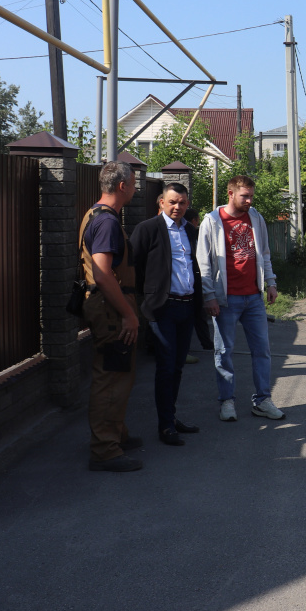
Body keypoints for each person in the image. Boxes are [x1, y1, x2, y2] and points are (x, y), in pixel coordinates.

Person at [197, 175, 285, 422]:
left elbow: (264, 253)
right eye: (244, 195)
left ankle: (262, 400)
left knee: (262, 351)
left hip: (253, 298)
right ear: (230, 193)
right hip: (225, 299)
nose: (248, 200)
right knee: (224, 351)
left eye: (251, 196)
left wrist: (271, 282)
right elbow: (203, 263)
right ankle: (227, 402)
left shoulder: (255, 218)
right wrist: (209, 296)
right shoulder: (212, 221)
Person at [79, 161, 143, 472]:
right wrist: (129, 314)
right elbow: (104, 275)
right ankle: (105, 450)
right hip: (110, 310)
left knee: (121, 373)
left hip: (108, 307)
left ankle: (116, 435)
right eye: (133, 183)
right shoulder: (106, 222)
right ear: (122, 186)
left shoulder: (95, 214)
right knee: (111, 377)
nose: (136, 188)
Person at [130, 183, 203, 447]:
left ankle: (171, 417)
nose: (178, 207)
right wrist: (148, 298)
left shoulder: (191, 231)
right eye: (172, 202)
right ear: (160, 202)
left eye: (182, 203)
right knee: (165, 367)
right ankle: (165, 426)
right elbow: (134, 267)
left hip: (187, 307)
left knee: (178, 366)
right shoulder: (147, 229)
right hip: (163, 310)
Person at [182, 207, 211, 365]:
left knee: (196, 316)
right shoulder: (189, 232)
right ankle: (205, 344)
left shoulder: (188, 231)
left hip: (191, 283)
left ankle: (205, 344)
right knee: (198, 315)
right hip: (189, 283)